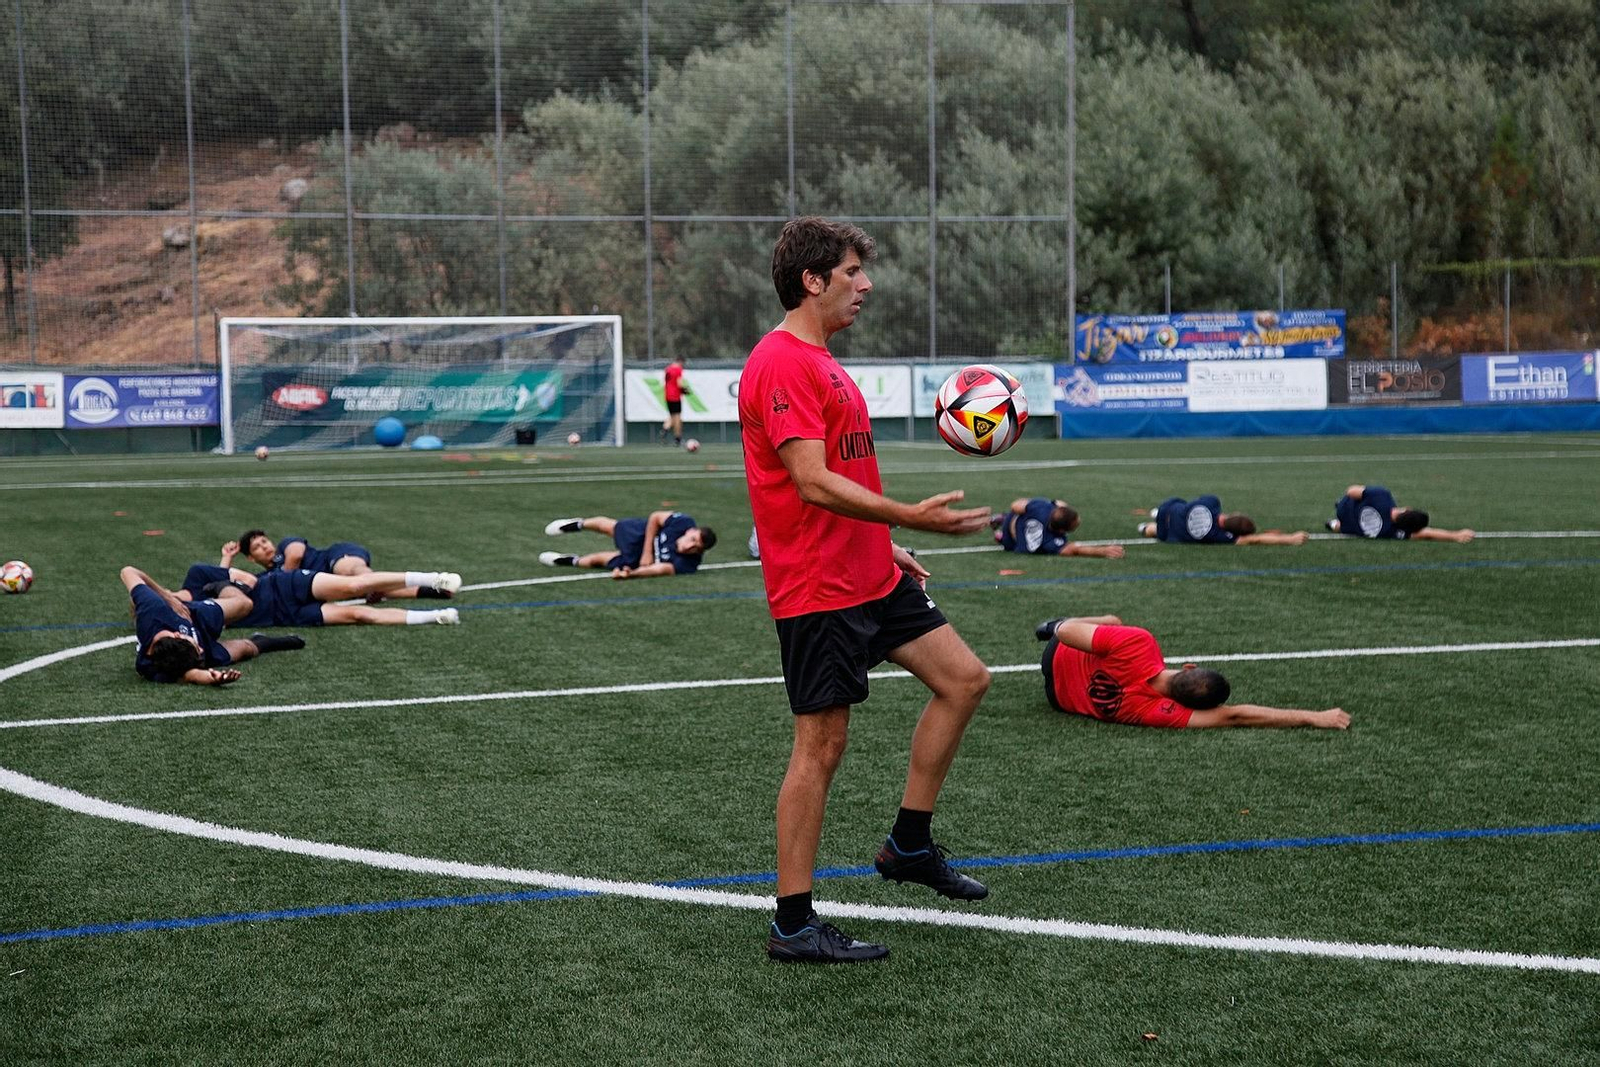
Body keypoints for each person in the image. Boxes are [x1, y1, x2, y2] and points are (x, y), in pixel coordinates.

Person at [741, 216, 995, 965]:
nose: (866, 284)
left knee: (965, 678)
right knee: (820, 745)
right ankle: (792, 923)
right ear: (812, 280)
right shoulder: (783, 362)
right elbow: (811, 482)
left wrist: (888, 540)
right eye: (853, 271)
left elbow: (838, 478)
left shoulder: (823, 360)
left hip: (870, 573)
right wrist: (909, 513)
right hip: (819, 588)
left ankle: (907, 846)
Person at [1035, 615, 1350, 729]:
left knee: (1113, 621)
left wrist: (1059, 627)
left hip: (1056, 652)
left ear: (1189, 667)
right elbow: (1236, 716)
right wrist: (1313, 716)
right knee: (1111, 628)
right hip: (1057, 699)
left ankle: (1051, 621)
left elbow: (1067, 635)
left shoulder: (1140, 644)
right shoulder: (1160, 712)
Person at [120, 566, 304, 685]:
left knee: (245, 604)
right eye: (197, 649)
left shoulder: (153, 609)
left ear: (177, 635)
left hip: (193, 615)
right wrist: (214, 678)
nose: (200, 649)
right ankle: (267, 641)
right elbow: (189, 674)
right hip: (187, 648)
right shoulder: (156, 665)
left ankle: (220, 586)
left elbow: (128, 571)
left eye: (195, 645)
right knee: (246, 649)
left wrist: (168, 597)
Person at [178, 563, 461, 627]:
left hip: (284, 585)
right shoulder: (192, 617)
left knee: (353, 586)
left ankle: (431, 579)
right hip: (284, 616)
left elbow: (250, 580)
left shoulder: (197, 576)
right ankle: (435, 617)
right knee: (358, 613)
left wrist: (225, 591)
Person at [222, 531, 455, 601]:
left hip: (337, 557)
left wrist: (288, 581)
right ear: (251, 558)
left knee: (352, 573)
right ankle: (429, 591)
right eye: (257, 548)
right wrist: (227, 558)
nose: (264, 547)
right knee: (352, 585)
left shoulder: (285, 548)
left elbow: (296, 554)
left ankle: (427, 578)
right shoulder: (266, 576)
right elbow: (223, 582)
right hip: (332, 584)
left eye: (264, 541)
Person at [537, 512, 716, 579]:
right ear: (691, 531)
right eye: (692, 540)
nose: (688, 548)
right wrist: (647, 552)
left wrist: (631, 574)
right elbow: (655, 518)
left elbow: (659, 569)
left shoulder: (690, 563)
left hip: (637, 561)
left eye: (696, 548)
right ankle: (575, 524)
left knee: (598, 561)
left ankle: (564, 560)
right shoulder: (683, 522)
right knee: (608, 526)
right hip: (642, 534)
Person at [1137, 495, 1309, 546]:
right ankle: (1145, 528)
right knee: (1156, 531)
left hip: (1169, 508)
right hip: (1169, 534)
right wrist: (1289, 538)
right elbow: (1254, 539)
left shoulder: (1212, 503)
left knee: (1181, 506)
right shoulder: (1219, 536)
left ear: (1232, 514)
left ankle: (1156, 514)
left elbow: (1195, 502)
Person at [1325, 485, 1474, 543]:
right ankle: (1333, 525)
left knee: (1354, 497)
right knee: (1345, 528)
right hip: (1348, 526)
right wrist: (1455, 535)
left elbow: (1351, 490)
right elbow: (1427, 534)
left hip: (1346, 508)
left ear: (1407, 509)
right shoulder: (1394, 532)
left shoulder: (1383, 496)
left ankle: (1338, 508)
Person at [992, 498, 1126, 559]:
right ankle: (1001, 534)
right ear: (1062, 531)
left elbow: (1015, 505)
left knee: (1021, 513)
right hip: (1011, 543)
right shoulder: (1051, 542)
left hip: (1013, 521)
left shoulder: (1042, 508)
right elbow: (1074, 550)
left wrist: (1047, 503)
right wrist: (1103, 551)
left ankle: (1003, 519)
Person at [661, 357, 692, 446]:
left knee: (672, 416)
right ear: (681, 362)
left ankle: (665, 429)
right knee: (677, 418)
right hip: (675, 396)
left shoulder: (668, 369)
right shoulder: (678, 370)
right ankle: (678, 438)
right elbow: (679, 383)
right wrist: (684, 390)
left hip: (667, 395)